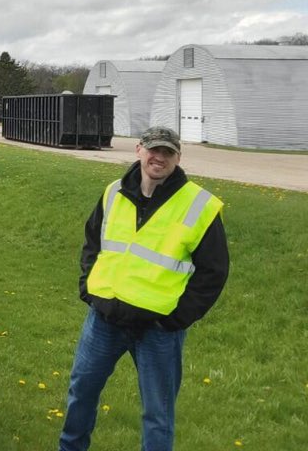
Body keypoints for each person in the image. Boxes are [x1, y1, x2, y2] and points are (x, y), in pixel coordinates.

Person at [59, 126, 230, 451]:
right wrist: (89, 288)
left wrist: (177, 318)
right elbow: (92, 242)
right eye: (154, 149)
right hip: (104, 321)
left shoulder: (198, 205)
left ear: (178, 158)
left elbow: (214, 271)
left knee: (158, 414)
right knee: (81, 394)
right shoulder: (113, 193)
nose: (159, 157)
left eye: (168, 152)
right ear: (139, 149)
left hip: (159, 330)